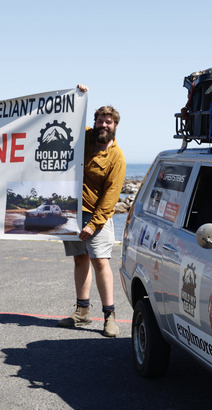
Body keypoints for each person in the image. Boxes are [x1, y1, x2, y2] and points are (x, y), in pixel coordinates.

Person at [58, 85, 126, 337]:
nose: (103, 125)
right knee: (79, 259)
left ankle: (110, 316)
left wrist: (93, 224)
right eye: (99, 120)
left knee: (100, 262)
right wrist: (78, 95)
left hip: (96, 218)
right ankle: (82, 312)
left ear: (115, 125)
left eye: (108, 122)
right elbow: (67, 119)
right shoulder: (85, 138)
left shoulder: (117, 157)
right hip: (72, 213)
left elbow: (110, 197)